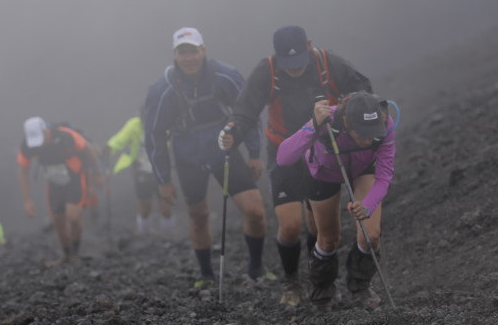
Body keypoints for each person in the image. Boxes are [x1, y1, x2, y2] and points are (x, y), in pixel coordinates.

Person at [219, 25, 372, 303]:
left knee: (318, 227)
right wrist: (232, 133)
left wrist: (352, 122)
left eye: (298, 61)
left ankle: (319, 283)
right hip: (283, 150)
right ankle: (291, 284)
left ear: (310, 45)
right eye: (287, 64)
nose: (293, 69)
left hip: (323, 150)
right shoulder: (267, 70)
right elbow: (245, 111)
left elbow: (363, 93)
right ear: (275, 55)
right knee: (289, 226)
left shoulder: (329, 64)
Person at [144, 27, 273, 286]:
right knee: (199, 215)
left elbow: (248, 112)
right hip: (187, 156)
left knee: (255, 210)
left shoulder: (224, 75)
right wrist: (163, 180)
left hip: (223, 149)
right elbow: (154, 135)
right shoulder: (163, 89)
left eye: (193, 51)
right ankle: (206, 275)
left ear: (203, 50)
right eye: (183, 52)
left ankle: (256, 268)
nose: (189, 57)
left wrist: (255, 153)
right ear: (175, 55)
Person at [276, 92, 396, 305]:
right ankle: (322, 288)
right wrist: (313, 124)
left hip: (362, 168)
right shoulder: (326, 120)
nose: (369, 139)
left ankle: (360, 286)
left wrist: (367, 206)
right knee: (330, 238)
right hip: (323, 173)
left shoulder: (384, 123)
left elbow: (385, 175)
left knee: (372, 235)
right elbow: (284, 158)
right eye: (363, 134)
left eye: (373, 133)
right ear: (348, 124)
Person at [18, 116, 101, 266]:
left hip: (75, 178)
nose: (39, 145)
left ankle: (75, 253)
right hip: (54, 183)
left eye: (41, 139)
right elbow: (23, 170)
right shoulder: (28, 146)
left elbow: (88, 149)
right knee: (58, 220)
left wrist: (97, 174)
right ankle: (66, 254)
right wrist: (27, 200)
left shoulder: (65, 136)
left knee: (73, 216)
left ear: (47, 131)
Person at [102, 109, 174, 235]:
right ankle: (144, 235)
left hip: (162, 172)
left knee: (166, 206)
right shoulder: (134, 125)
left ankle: (166, 237)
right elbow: (121, 138)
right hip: (142, 171)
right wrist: (110, 147)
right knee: (145, 208)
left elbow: (175, 140)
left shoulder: (165, 123)